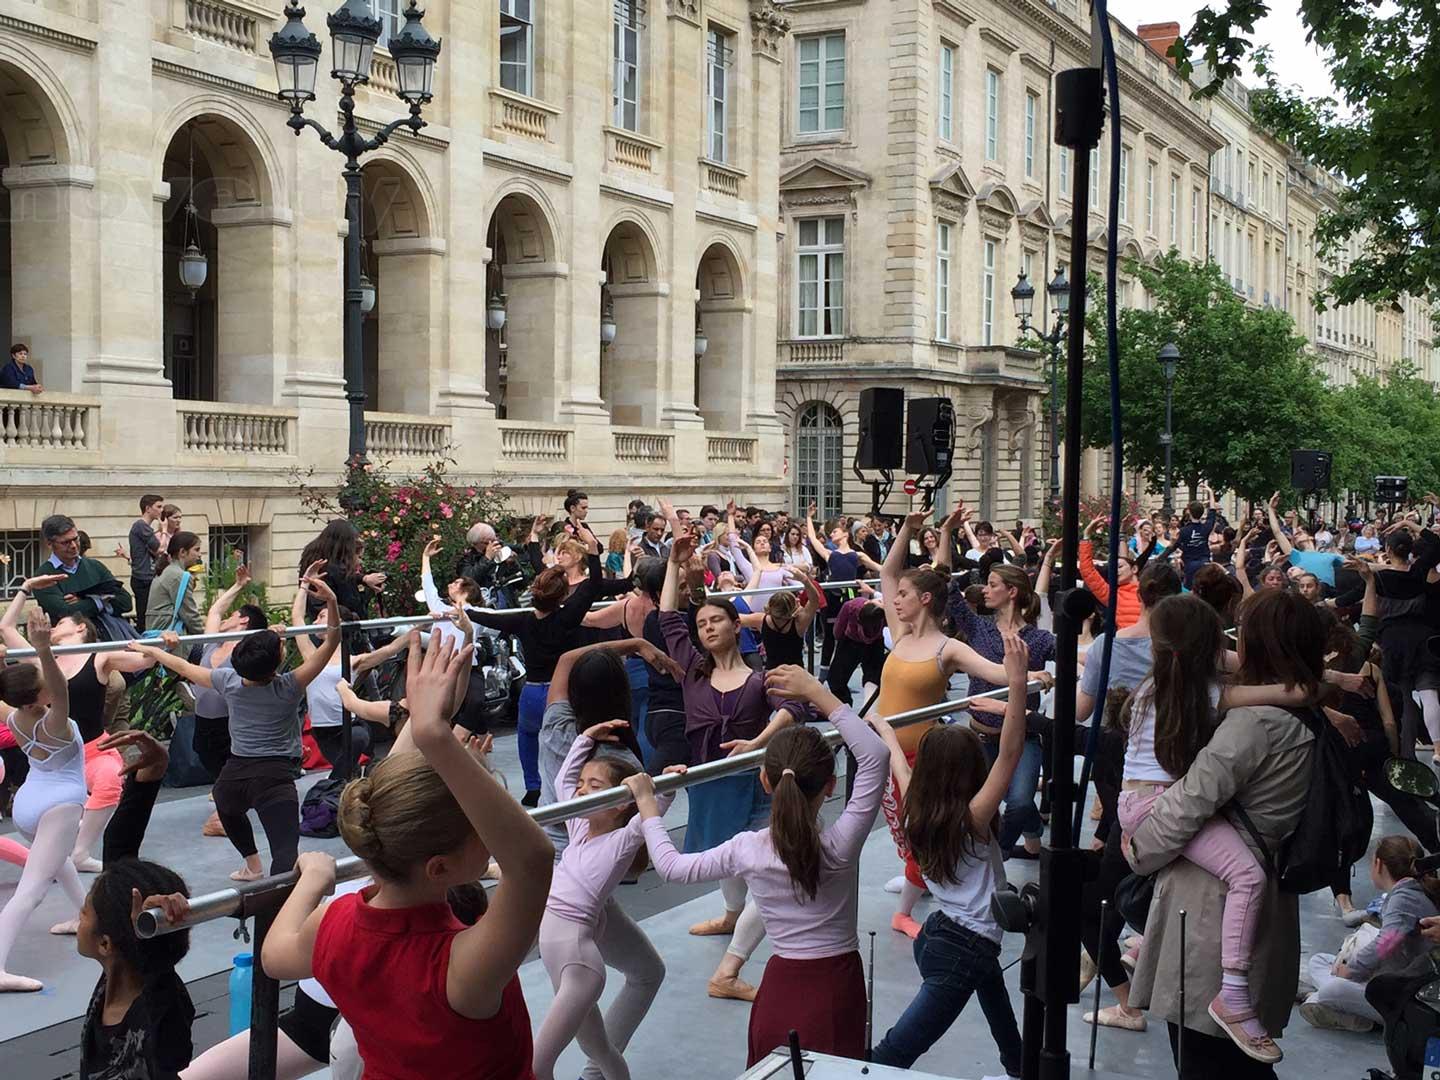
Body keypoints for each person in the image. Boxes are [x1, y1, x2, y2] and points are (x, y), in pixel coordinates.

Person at [260, 636, 554, 1080]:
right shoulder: (460, 966)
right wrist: (433, 734)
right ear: (439, 868)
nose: (491, 837)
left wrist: (312, 880)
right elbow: (532, 859)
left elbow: (275, 955)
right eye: (479, 829)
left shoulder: (336, 922)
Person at [626, 662, 889, 1065]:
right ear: (831, 787)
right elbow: (874, 755)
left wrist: (651, 806)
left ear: (765, 783)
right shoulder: (841, 844)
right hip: (837, 988)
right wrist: (817, 692)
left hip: (779, 991)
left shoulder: (747, 849)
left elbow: (672, 868)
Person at [1126, 589, 1324, 1078]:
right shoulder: (1300, 714)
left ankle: (1230, 996)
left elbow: (1189, 801)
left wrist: (1137, 852)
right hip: (1262, 901)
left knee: (1204, 1059)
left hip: (1208, 916)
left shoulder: (1250, 722)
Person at [868, 631, 1031, 1075]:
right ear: (969, 772)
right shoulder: (972, 821)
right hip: (963, 947)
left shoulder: (915, 811)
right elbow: (1011, 753)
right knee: (894, 1053)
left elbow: (901, 767)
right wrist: (1016, 684)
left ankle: (1018, 1068)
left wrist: (885, 726)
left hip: (944, 933)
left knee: (998, 1007)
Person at [656, 529, 806, 1001]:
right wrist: (674, 567)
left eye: (716, 621)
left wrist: (759, 741)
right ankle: (729, 915)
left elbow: (797, 709)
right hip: (710, 782)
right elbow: (665, 619)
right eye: (701, 624)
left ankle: (729, 969)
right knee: (726, 858)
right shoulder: (692, 669)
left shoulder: (759, 679)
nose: (707, 628)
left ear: (735, 626)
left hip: (757, 782)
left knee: (765, 867)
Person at [129, 562, 341, 878]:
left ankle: (252, 865)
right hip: (275, 775)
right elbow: (332, 642)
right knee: (284, 856)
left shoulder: (229, 681)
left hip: (237, 772)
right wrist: (332, 602)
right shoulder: (289, 685)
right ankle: (275, 899)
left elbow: (184, 669)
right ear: (279, 661)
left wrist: (152, 651)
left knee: (227, 807)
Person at [880, 508, 1016, 937]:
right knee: (900, 829)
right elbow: (886, 572)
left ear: (923, 601)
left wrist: (1034, 675)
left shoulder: (946, 648)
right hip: (881, 750)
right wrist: (908, 528)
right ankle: (912, 879)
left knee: (920, 828)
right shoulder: (900, 634)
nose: (895, 599)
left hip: (922, 755)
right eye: (896, 595)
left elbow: (996, 672)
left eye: (904, 594)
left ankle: (905, 907)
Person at [533, 719, 678, 1080]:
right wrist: (584, 739)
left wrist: (666, 786)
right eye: (583, 785)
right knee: (599, 1051)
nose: (582, 792)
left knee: (537, 1064)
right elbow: (562, 781)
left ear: (617, 805)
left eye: (594, 787)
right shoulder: (578, 827)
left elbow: (648, 813)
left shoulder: (621, 841)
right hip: (562, 958)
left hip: (579, 966)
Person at [1073, 562, 1182, 1027]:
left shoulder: (1107, 647)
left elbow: (1082, 712)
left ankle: (1127, 1002)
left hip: (1130, 788)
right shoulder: (1193, 652)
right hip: (1183, 788)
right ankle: (1117, 956)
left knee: (1097, 901)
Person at [1, 576, 157, 876]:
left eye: (62, 622)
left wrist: (163, 644)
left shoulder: (99, 656)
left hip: (94, 750)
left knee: (111, 780)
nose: (55, 625)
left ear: (81, 627)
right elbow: (6, 628)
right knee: (50, 811)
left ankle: (80, 853)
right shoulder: (44, 659)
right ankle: (59, 849)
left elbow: (144, 661)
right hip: (56, 758)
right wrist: (26, 588)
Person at [471, 525, 604, 805]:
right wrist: (592, 551)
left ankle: (533, 784)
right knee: (568, 742)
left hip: (532, 691)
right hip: (561, 692)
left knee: (527, 737)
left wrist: (463, 609)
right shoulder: (567, 617)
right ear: (561, 596)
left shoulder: (521, 620)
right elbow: (593, 587)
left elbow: (488, 618)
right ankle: (569, 783)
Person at [946, 535, 1056, 865]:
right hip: (978, 736)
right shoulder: (978, 627)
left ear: (1011, 592)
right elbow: (950, 593)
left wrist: (1050, 675)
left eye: (992, 584)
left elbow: (1072, 661)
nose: (984, 590)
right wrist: (943, 538)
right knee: (983, 805)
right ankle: (1031, 836)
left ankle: (1000, 855)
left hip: (1022, 736)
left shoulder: (1038, 639)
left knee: (1020, 802)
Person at [0, 608, 85, 991]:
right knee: (29, 892)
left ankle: (84, 915)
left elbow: (38, 685)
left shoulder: (13, 715)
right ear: (38, 695)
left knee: (60, 861)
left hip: (28, 804)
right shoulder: (55, 722)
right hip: (59, 806)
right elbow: (60, 687)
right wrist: (44, 649)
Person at [1300, 835, 1440, 1033]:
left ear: (1378, 864)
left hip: (1408, 995)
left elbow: (1387, 941)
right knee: (1319, 961)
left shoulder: (1404, 897)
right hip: (1396, 973)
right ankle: (1336, 1003)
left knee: (1332, 990)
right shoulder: (1413, 890)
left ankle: (1326, 1002)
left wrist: (1352, 969)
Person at [77, 861, 194, 1079]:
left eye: (84, 913)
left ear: (105, 944)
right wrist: (152, 929)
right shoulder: (113, 978)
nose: (78, 918)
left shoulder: (159, 1004)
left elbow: (175, 1056)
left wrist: (154, 947)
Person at [188, 566, 266, 837]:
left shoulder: (247, 650)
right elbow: (214, 612)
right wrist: (238, 585)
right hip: (204, 719)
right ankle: (233, 804)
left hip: (231, 721)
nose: (226, 618)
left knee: (229, 767)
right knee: (205, 754)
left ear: (243, 621)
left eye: (234, 615)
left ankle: (228, 814)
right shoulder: (213, 642)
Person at [30, 514, 134, 625]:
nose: (74, 545)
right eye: (66, 542)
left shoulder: (95, 566)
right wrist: (103, 600)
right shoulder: (42, 577)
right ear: (49, 544)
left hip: (107, 635)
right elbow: (65, 612)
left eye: (76, 539)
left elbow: (126, 602)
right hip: (70, 640)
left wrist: (85, 600)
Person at [738, 568, 823, 671]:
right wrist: (805, 580)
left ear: (769, 606)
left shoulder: (761, 620)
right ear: (794, 608)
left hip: (772, 671)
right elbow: (815, 599)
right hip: (796, 671)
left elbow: (736, 619)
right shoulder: (800, 622)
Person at [827, 589, 888, 708]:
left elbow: (838, 630)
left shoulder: (850, 606)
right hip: (867, 643)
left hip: (856, 643)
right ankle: (861, 708)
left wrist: (839, 640)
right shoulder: (854, 607)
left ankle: (856, 709)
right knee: (871, 678)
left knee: (837, 679)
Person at [1079, 517, 1142, 629]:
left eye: (1120, 567)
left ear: (1134, 569)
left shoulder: (1151, 589)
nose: (1115, 571)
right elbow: (1088, 572)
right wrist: (1086, 536)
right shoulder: (1113, 595)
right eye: (1113, 569)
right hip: (1125, 644)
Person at [144, 532, 205, 638]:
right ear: (182, 552)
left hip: (158, 637)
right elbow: (190, 615)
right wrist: (207, 636)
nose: (200, 554)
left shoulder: (168, 571)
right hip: (172, 642)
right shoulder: (179, 576)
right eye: (196, 549)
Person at [123, 494, 166, 627]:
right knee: (145, 617)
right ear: (148, 508)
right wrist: (164, 530)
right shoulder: (141, 526)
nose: (161, 510)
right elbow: (160, 549)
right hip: (144, 578)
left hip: (144, 577)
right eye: (158, 507)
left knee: (146, 615)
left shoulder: (143, 528)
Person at [1175, 488, 1222, 588]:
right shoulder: (1206, 527)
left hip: (1190, 565)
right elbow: (1212, 513)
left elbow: (1175, 546)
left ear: (1189, 513)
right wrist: (1210, 493)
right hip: (1205, 562)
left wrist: (1161, 557)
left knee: (1190, 588)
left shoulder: (1184, 531)